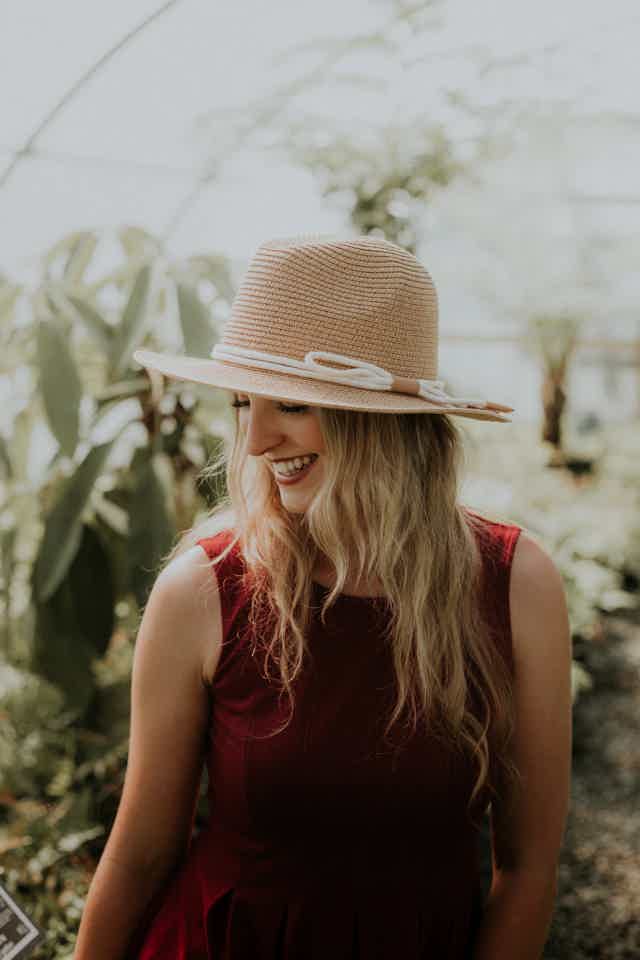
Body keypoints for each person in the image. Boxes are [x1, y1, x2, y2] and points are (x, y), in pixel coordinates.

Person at [74, 235, 572, 959]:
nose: (256, 442)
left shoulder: (516, 584)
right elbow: (140, 855)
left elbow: (526, 871)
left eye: (294, 405)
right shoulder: (205, 589)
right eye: (244, 404)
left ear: (382, 421)